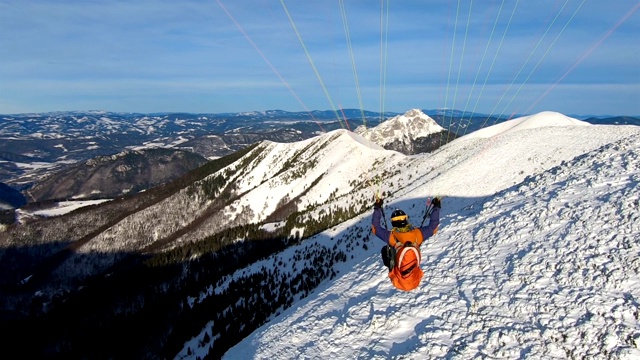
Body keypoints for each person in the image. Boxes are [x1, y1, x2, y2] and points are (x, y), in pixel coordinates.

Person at [371, 197, 441, 291]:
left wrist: (377, 208)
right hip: (415, 279)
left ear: (393, 222)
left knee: (386, 250)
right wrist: (436, 207)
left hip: (399, 280)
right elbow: (434, 227)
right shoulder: (417, 234)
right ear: (406, 219)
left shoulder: (391, 236)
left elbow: (375, 228)